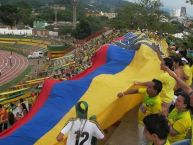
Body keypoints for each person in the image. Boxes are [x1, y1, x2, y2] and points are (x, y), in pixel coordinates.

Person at [117, 79, 163, 145]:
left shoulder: (157, 103)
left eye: (150, 87)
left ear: (155, 91)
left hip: (145, 125)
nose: (147, 88)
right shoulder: (148, 92)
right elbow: (136, 90)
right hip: (141, 122)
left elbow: (156, 117)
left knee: (142, 141)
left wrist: (147, 128)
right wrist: (123, 93)